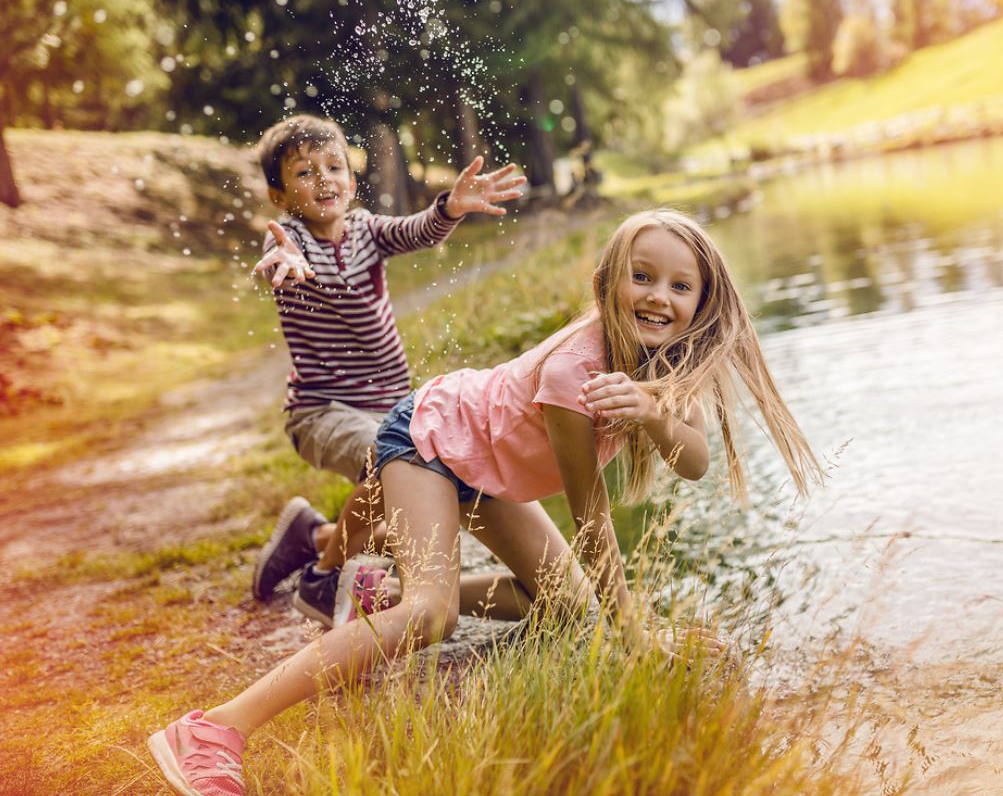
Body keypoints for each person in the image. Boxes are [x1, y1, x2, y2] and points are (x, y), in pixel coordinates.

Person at [148, 209, 823, 796]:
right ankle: (213, 729)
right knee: (432, 612)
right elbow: (591, 519)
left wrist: (650, 409)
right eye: (642, 276)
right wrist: (638, 639)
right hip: (432, 438)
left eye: (681, 286)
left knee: (569, 609)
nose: (659, 297)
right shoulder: (573, 374)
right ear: (607, 282)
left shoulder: (664, 363)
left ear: (702, 302)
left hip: (486, 467)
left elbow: (694, 460)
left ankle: (379, 595)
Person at [247, 114, 527, 626]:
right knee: (389, 462)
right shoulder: (290, 239)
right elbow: (279, 254)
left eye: (334, 166)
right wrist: (284, 259)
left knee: (410, 494)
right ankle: (323, 578)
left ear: (352, 182)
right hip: (321, 411)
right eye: (305, 173)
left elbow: (414, 230)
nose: (324, 178)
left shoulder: (366, 231)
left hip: (386, 406)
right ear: (279, 195)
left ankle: (309, 537)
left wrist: (450, 207)